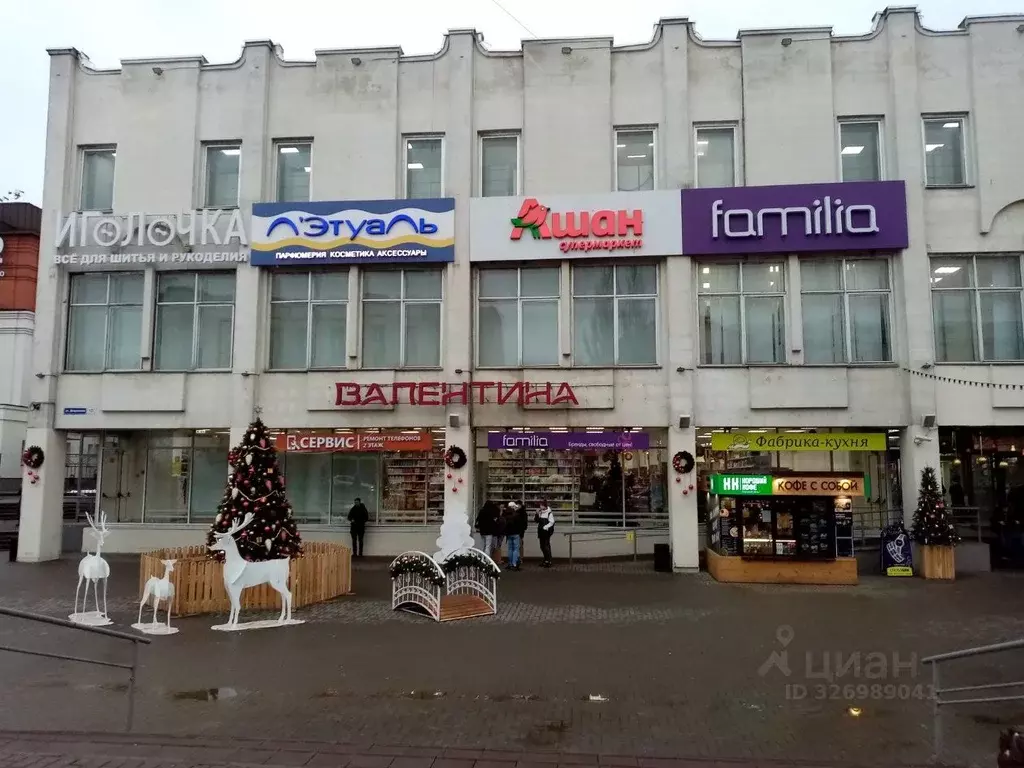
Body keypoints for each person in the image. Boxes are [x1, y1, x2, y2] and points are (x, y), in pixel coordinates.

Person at [505, 501, 527, 571]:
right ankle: (514, 564)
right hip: (516, 533)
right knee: (516, 549)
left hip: (509, 534)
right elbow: (520, 525)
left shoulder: (506, 514)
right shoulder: (516, 515)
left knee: (510, 549)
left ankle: (510, 563)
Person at [535, 498, 555, 567]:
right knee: (542, 546)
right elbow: (536, 521)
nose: (540, 506)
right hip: (541, 532)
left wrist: (545, 527)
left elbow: (552, 522)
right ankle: (545, 559)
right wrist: (537, 514)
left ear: (545, 505)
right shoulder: (540, 512)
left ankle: (548, 561)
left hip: (546, 532)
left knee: (546, 546)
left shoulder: (549, 512)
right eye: (540, 505)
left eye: (541, 505)